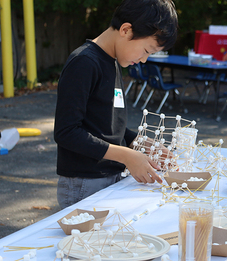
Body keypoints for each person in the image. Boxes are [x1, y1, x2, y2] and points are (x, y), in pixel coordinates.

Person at [54, 0, 178, 209]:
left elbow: (103, 124)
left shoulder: (114, 60)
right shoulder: (84, 62)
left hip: (110, 176)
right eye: (146, 50)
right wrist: (127, 155)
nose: (144, 59)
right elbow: (66, 132)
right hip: (84, 183)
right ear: (126, 30)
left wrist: (138, 142)